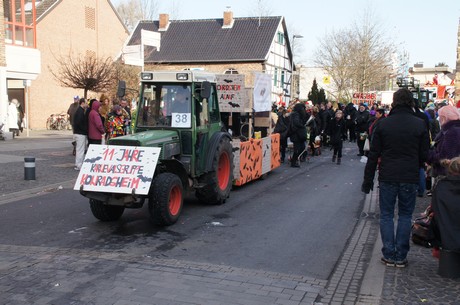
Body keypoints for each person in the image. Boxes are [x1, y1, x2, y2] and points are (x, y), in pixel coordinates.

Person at [361, 88, 430, 268]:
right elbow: (424, 155)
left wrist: (367, 180)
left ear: (394, 102)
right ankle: (401, 255)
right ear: (411, 102)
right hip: (409, 175)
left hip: (388, 175)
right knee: (406, 216)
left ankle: (389, 253)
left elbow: (373, 155)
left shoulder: (383, 124)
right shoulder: (419, 124)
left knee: (386, 215)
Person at [426, 105, 460, 183]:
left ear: (444, 118)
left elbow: (445, 156)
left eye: (440, 117)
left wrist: (429, 155)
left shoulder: (451, 132)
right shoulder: (452, 129)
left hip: (448, 176)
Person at [289, 103, 307, 167]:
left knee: (302, 148)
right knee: (297, 149)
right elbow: (296, 123)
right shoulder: (295, 114)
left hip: (298, 134)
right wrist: (302, 126)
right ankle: (293, 162)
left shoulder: (296, 114)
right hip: (296, 135)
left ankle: (295, 160)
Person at [72, 98, 88, 171]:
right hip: (80, 133)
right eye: (86, 103)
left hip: (78, 132)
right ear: (82, 103)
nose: (87, 104)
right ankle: (79, 165)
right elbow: (79, 123)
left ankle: (78, 164)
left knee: (79, 149)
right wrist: (85, 129)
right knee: (80, 150)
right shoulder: (80, 111)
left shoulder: (80, 110)